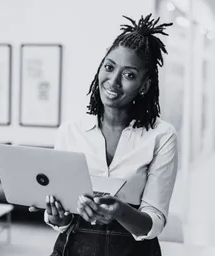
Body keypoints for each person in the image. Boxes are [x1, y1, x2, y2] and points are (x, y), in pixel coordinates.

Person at [29, 13, 177, 256]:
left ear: (144, 86)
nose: (113, 81)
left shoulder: (162, 135)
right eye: (109, 67)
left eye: (129, 75)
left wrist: (120, 211)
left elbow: (154, 223)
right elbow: (63, 222)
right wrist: (57, 217)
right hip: (74, 248)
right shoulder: (71, 130)